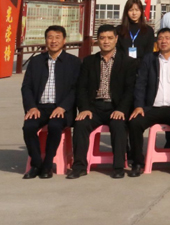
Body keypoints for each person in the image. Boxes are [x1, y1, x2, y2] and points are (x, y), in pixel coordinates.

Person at [68, 25, 137, 179]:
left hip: (116, 106)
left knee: (118, 125)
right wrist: (84, 108)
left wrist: (121, 109)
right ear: (97, 40)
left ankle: (118, 167)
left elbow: (130, 90)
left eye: (110, 38)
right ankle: (79, 167)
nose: (106, 41)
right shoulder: (89, 61)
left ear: (116, 39)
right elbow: (81, 88)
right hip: (94, 107)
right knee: (81, 124)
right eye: (102, 38)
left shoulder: (128, 62)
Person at [128, 28, 170, 178]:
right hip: (151, 107)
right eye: (161, 38)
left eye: (167, 38)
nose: (163, 41)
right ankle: (137, 163)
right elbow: (140, 84)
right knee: (135, 123)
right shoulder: (148, 60)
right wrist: (138, 106)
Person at [21, 25, 81, 179]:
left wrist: (63, 107)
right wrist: (31, 107)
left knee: (55, 126)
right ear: (46, 40)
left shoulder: (73, 62)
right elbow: (26, 87)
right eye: (50, 37)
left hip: (61, 109)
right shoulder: (36, 61)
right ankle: (36, 164)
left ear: (64, 40)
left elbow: (76, 89)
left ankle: (47, 165)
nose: (53, 41)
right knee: (28, 127)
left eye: (57, 37)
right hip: (39, 107)